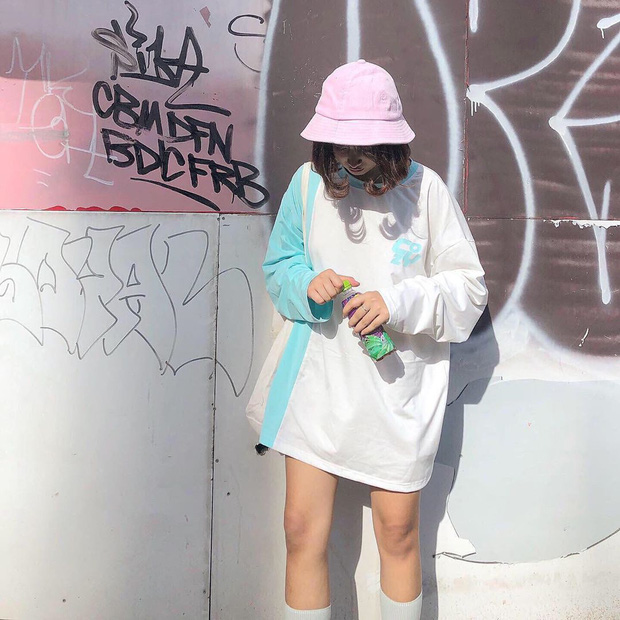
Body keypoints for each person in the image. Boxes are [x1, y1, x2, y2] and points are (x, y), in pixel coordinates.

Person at [249, 59, 488, 619]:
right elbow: (280, 267)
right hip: (318, 383)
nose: (350, 156)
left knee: (398, 532)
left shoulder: (425, 191)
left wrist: (395, 303)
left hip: (397, 391)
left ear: (392, 140)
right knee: (300, 528)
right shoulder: (307, 185)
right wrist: (309, 284)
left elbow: (468, 288)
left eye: (363, 144)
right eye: (339, 142)